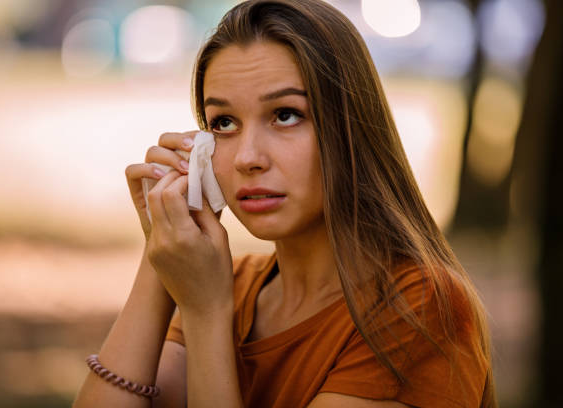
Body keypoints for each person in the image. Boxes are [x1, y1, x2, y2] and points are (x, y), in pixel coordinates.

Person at [73, 0, 496, 407]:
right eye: (223, 123)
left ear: (350, 127)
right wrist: (159, 255)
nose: (247, 158)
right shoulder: (227, 284)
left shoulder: (419, 308)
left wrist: (205, 315)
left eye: (286, 115)